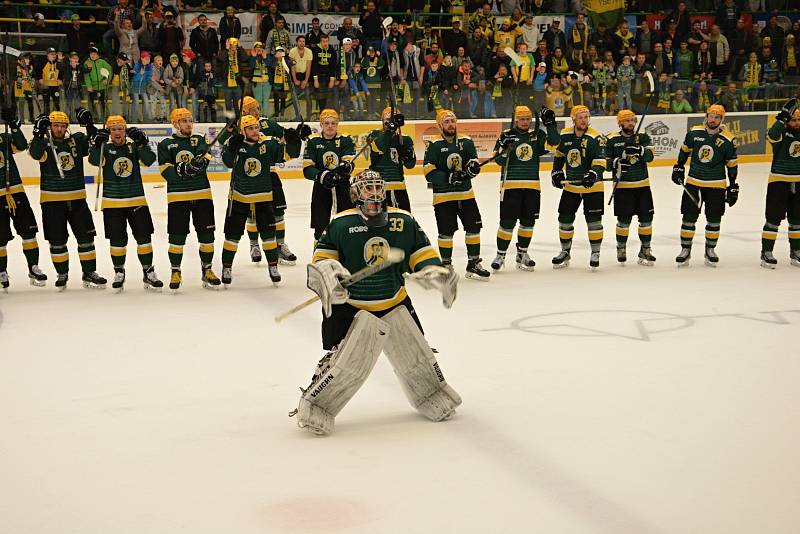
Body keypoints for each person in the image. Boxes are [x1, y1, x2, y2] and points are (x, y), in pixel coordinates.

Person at [292, 168, 460, 436]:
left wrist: (434, 272)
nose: (374, 193)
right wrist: (328, 274)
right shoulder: (341, 224)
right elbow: (321, 260)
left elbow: (421, 253)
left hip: (395, 301)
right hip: (352, 306)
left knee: (416, 356)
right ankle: (317, 404)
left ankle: (432, 393)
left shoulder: (403, 220)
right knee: (344, 363)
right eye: (367, 188)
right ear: (356, 193)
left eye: (377, 187)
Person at [28, 109, 106, 289]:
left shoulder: (76, 140)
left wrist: (89, 125)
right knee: (57, 240)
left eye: (63, 126)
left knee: (86, 238)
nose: (60, 129)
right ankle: (62, 273)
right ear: (50, 126)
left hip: (77, 199)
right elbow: (35, 154)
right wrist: (39, 133)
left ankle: (89, 272)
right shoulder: (44, 142)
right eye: (56, 125)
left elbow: (96, 144)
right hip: (52, 200)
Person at [219, 114, 296, 286]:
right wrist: (231, 147)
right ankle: (226, 267)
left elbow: (291, 154)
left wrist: (295, 139)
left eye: (256, 127)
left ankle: (273, 266)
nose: (255, 131)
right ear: (243, 131)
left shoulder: (268, 144)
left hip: (263, 196)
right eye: (250, 128)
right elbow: (228, 162)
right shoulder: (236, 144)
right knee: (232, 235)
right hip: (239, 196)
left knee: (269, 235)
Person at [88, 115, 162, 290]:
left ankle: (148, 272)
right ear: (109, 132)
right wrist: (96, 145)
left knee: (144, 238)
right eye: (113, 129)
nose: (117, 133)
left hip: (136, 200)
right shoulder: (105, 148)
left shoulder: (133, 146)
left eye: (120, 129)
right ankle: (119, 271)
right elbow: (93, 161)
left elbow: (150, 160)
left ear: (125, 130)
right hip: (112, 203)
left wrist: (143, 143)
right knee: (117, 240)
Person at [156, 108, 221, 291]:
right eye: (184, 121)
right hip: (178, 197)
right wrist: (183, 169)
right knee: (177, 237)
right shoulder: (166, 143)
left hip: (202, 194)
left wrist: (198, 163)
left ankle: (207, 270)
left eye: (190, 120)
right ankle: (175, 271)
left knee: (207, 236)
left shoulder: (199, 139)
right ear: (175, 124)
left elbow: (204, 157)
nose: (188, 124)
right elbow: (166, 172)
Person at [240, 96, 309, 264]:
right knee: (252, 213)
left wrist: (296, 133)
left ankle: (280, 245)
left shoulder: (267, 124)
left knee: (278, 211)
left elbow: (285, 136)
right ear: (245, 110)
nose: (258, 110)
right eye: (254, 108)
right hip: (249, 177)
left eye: (257, 107)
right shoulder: (238, 126)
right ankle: (254, 245)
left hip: (270, 173)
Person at [491, 106, 559, 272]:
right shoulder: (506, 135)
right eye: (522, 119)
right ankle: (500, 255)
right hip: (510, 186)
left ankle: (522, 253)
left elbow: (555, 144)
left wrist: (550, 124)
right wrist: (503, 147)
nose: (525, 122)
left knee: (528, 223)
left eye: (528, 119)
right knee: (507, 223)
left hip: (532, 186)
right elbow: (498, 161)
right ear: (515, 119)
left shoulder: (538, 135)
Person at [423, 109, 488, 280]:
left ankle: (473, 263)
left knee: (474, 228)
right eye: (446, 122)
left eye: (452, 121)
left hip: (466, 195)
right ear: (440, 125)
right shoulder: (434, 145)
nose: (451, 124)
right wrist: (448, 177)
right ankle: (446, 266)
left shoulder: (466, 141)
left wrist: (472, 169)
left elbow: (472, 161)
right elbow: (428, 172)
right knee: (446, 233)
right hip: (443, 197)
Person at [672, 104, 738, 266]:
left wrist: (733, 185)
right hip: (694, 183)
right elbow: (684, 151)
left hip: (717, 185)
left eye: (717, 117)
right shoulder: (694, 133)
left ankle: (710, 249)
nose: (713, 120)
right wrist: (679, 167)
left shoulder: (728, 140)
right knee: (688, 217)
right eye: (711, 116)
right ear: (706, 116)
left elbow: (732, 164)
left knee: (714, 219)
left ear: (722, 120)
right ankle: (685, 249)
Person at [550, 105, 606, 270]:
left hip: (593, 187)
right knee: (564, 219)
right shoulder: (565, 134)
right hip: (572, 186)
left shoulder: (596, 137)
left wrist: (594, 174)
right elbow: (560, 155)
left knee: (594, 222)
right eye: (580, 117)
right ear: (573, 119)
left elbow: (601, 160)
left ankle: (595, 252)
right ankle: (565, 251)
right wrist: (557, 172)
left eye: (586, 117)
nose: (584, 120)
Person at [0, 107, 47, 290]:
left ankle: (33, 267)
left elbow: (21, 146)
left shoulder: (3, 139)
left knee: (29, 232)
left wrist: (14, 127)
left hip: (16, 191)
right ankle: (2, 270)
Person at [605, 109, 657, 266]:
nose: (630, 123)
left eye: (632, 120)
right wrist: (618, 161)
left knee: (646, 220)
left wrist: (640, 150)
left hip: (642, 185)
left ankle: (645, 249)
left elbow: (651, 157)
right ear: (620, 123)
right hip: (623, 187)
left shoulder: (642, 137)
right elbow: (606, 164)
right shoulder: (612, 140)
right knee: (624, 221)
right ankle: (621, 248)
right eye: (626, 121)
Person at [303, 109, 355, 241]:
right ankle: (319, 252)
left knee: (346, 222)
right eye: (326, 123)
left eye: (333, 123)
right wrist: (323, 176)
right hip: (321, 187)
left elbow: (350, 163)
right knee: (320, 225)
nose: (330, 126)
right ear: (321, 125)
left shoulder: (346, 140)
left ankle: (345, 252)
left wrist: (345, 168)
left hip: (342, 186)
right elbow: (307, 169)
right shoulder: (313, 141)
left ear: (337, 124)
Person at [760, 99, 800, 268]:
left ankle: (796, 251)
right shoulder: (781, 132)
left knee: (797, 220)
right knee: (773, 219)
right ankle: (766, 252)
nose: (797, 123)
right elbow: (771, 135)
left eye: (799, 120)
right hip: (779, 181)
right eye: (793, 120)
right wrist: (782, 117)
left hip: (798, 182)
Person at [367, 107, 414, 211]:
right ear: (382, 120)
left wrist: (407, 155)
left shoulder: (405, 139)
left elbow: (410, 165)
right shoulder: (374, 134)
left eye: (393, 120)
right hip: (378, 187)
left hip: (399, 186)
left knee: (403, 219)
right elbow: (381, 147)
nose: (389, 122)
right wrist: (390, 130)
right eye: (387, 119)